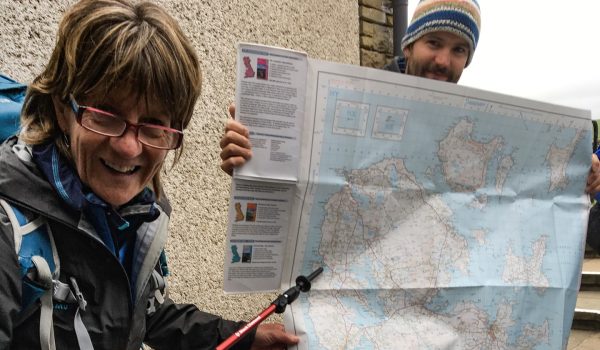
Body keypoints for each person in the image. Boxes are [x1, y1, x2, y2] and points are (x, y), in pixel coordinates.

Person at [0, 0, 299, 349]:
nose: (129, 148)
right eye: (105, 113)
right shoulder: (8, 227)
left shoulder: (139, 213)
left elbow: (142, 314)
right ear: (63, 110)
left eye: (154, 124)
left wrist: (243, 339)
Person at [219, 0, 600, 200]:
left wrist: (576, 169)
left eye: (458, 50)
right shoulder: (350, 105)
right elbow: (305, 182)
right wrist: (254, 159)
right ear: (410, 43)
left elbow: (520, 180)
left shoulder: (476, 129)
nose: (443, 61)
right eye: (434, 43)